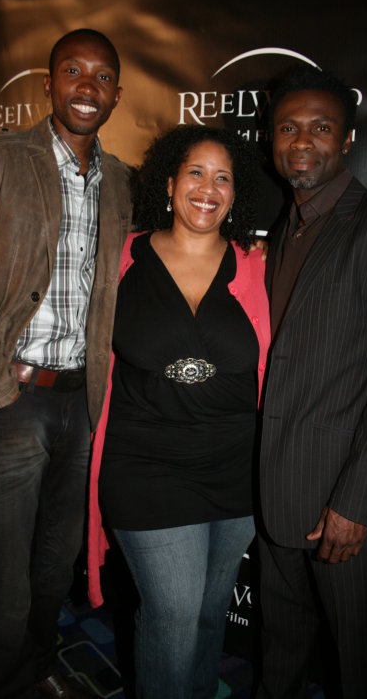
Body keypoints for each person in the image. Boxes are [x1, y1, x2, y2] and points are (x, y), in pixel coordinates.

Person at [0, 29, 132, 699]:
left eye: (101, 76)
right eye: (73, 72)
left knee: (54, 565)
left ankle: (36, 669)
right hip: (12, 397)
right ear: (49, 83)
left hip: (83, 404)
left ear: (117, 93)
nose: (87, 87)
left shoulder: (120, 180)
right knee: (5, 583)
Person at [256, 66, 367, 699]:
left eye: (321, 128)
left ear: (349, 139)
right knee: (279, 655)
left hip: (346, 507)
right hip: (277, 494)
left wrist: (355, 503)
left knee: (361, 670)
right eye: (288, 128)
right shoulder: (284, 231)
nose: (301, 141)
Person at [87, 125, 270, 699]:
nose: (207, 188)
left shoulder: (258, 266)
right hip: (147, 466)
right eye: (196, 172)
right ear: (169, 183)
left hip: (236, 472)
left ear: (236, 195)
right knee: (172, 615)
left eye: (223, 178)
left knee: (210, 614)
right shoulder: (120, 257)